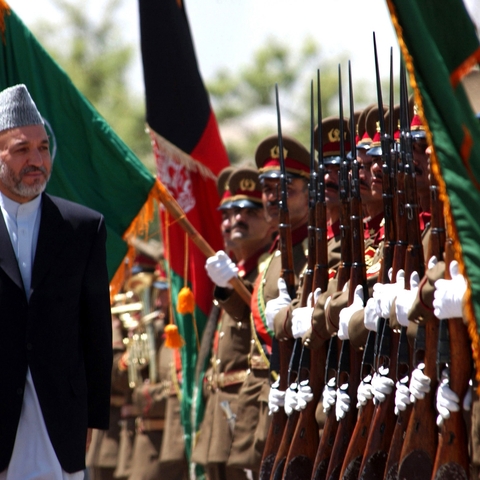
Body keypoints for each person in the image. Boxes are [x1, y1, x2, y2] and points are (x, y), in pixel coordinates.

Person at [0, 84, 112, 479]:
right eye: (22, 149)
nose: (37, 159)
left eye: (43, 148)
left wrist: (93, 418)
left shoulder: (83, 227)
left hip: (58, 419)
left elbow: (96, 329)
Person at [194, 167, 276, 480]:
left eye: (246, 211)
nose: (233, 221)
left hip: (248, 409)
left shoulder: (266, 276)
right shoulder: (236, 277)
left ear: (270, 222)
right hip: (221, 414)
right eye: (227, 214)